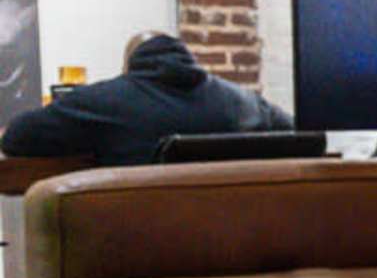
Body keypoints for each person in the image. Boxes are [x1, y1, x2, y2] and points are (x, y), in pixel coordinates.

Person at [1, 30, 293, 164]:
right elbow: (303, 134)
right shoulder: (244, 101)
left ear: (129, 67)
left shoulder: (103, 102)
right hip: (232, 248)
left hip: (136, 252)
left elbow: (17, 138)